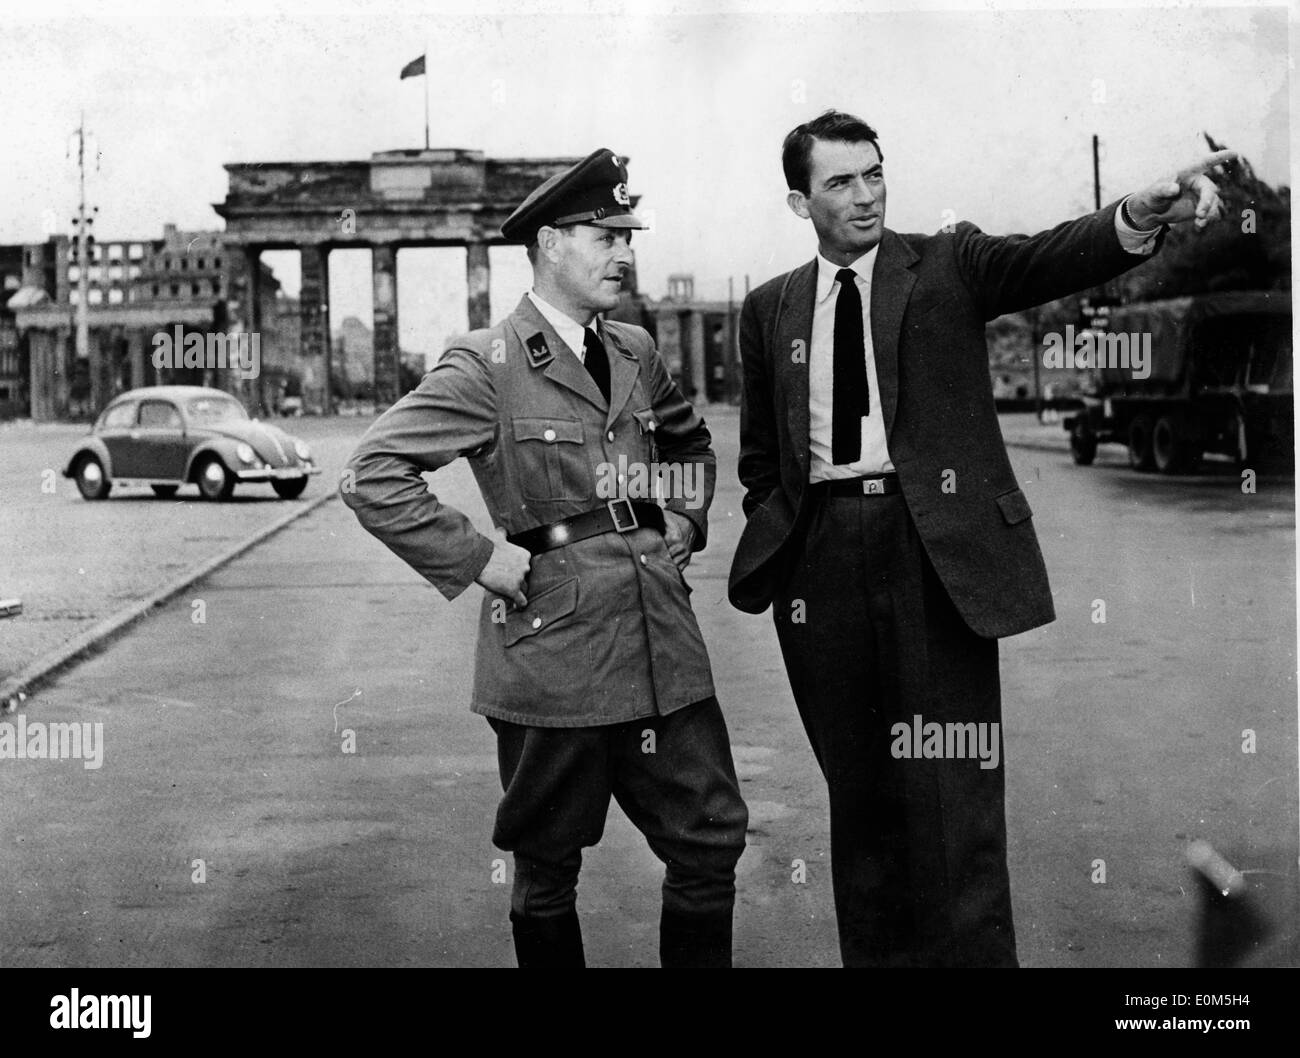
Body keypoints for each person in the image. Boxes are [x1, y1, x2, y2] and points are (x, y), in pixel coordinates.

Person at [728, 109, 1234, 967]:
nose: (864, 196)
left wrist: (1139, 214)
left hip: (933, 557)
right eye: (840, 182)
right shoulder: (769, 309)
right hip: (821, 563)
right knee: (861, 802)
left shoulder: (949, 264)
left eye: (874, 173)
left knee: (953, 802)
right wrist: (788, 545)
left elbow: (1052, 254)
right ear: (797, 201)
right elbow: (761, 461)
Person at [342, 148, 748, 969]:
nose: (625, 253)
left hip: (661, 641)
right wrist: (478, 558)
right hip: (554, 654)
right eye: (605, 237)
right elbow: (370, 475)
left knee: (710, 842)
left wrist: (684, 515)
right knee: (548, 867)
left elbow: (691, 442)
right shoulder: (485, 363)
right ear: (551, 244)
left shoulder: (634, 348)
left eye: (628, 235)